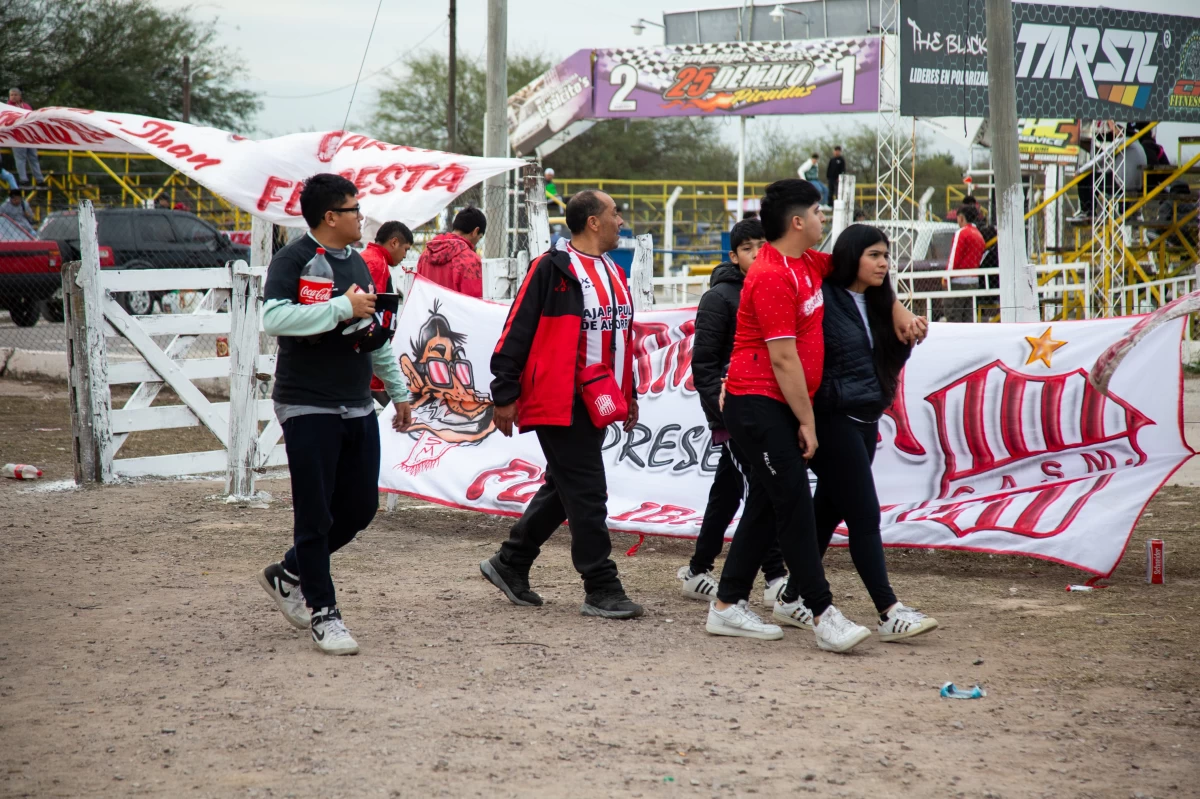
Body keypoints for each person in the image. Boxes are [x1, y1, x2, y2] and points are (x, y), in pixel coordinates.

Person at [706, 178, 926, 651]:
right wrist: (807, 422)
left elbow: (863, 271)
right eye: (819, 211)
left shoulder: (807, 260)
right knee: (793, 506)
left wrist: (901, 313)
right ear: (798, 221)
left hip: (779, 404)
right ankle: (823, 613)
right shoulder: (769, 275)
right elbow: (784, 360)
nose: (825, 218)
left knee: (768, 504)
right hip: (756, 402)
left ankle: (726, 605)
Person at [256, 173, 413, 656]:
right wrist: (340, 308)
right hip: (307, 403)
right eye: (354, 208)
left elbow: (371, 335)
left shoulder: (361, 266)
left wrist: (398, 389)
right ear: (330, 217)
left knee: (360, 507)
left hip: (357, 404)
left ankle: (289, 573)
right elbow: (274, 319)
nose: (361, 216)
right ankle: (324, 613)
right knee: (315, 514)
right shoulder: (294, 259)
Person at [480, 189, 644, 620]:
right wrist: (505, 393)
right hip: (559, 399)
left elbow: (623, 340)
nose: (620, 220)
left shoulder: (613, 270)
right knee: (588, 493)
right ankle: (600, 586)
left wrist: (631, 395)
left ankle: (510, 562)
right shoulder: (552, 268)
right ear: (592, 221)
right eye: (615, 212)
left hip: (599, 400)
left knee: (564, 487)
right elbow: (516, 330)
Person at [782, 223, 937, 640]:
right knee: (865, 517)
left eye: (886, 255)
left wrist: (907, 335)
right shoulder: (823, 297)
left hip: (865, 420)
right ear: (851, 255)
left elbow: (878, 369)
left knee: (826, 513)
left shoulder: (879, 302)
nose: (884, 262)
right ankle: (888, 611)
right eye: (873, 254)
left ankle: (792, 595)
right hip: (833, 418)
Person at [678, 218, 788, 604]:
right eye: (748, 248)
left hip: (765, 409)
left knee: (728, 492)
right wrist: (725, 413)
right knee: (764, 487)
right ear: (734, 255)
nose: (757, 254)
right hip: (736, 414)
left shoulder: (775, 287)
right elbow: (704, 365)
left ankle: (696, 570)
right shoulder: (719, 298)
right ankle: (776, 578)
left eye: (763, 245)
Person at [361, 220, 415, 406]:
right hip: (368, 354)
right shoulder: (377, 265)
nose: (405, 255)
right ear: (393, 243)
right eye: (405, 249)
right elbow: (372, 320)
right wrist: (378, 380)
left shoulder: (368, 257)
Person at [416, 207, 485, 297]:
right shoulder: (470, 260)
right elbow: (473, 302)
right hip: (454, 311)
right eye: (479, 237)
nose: (476, 243)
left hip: (430, 310)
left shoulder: (426, 254)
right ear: (475, 231)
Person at [945, 205, 986, 322]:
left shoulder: (961, 233)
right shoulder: (979, 235)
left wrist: (946, 277)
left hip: (958, 282)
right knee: (969, 317)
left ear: (961, 218)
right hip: (973, 281)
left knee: (954, 317)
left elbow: (954, 258)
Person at [7, 88, 44, 187]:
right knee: (20, 158)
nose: (13, 97)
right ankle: (23, 179)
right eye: (11, 95)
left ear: (20, 96)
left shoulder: (26, 106)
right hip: (17, 136)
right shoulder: (8, 107)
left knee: (33, 157)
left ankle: (39, 179)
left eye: (15, 95)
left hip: (29, 136)